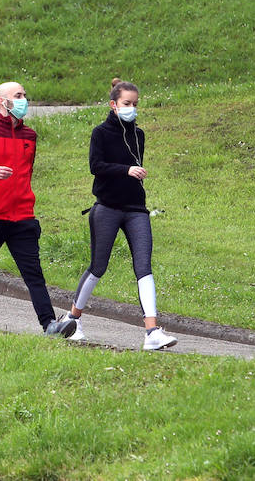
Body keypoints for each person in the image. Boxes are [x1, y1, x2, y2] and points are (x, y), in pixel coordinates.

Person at [48, 79, 177, 351]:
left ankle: (152, 332)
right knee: (98, 267)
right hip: (106, 208)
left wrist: (134, 174)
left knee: (144, 267)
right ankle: (73, 319)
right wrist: (126, 170)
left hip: (136, 210)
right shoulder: (101, 133)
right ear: (113, 105)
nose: (132, 109)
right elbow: (96, 166)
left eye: (135, 104)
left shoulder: (138, 135)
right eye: (126, 104)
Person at [0, 81, 76, 337]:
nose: (24, 99)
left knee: (34, 273)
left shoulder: (29, 135)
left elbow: (26, 173)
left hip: (23, 216)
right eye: (18, 95)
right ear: (3, 102)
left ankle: (49, 325)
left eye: (24, 95)